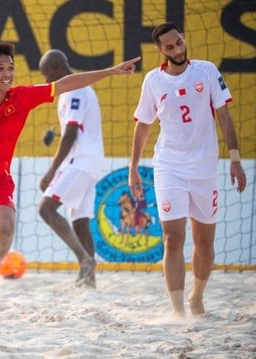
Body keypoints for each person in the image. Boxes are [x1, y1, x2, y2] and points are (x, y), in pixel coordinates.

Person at [0, 36, 140, 321]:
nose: (7, 73)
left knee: (6, 231)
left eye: (10, 67)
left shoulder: (22, 97)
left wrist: (111, 71)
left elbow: (66, 83)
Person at [129, 22, 247, 316]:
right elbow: (143, 126)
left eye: (179, 42)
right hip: (170, 165)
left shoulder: (206, 71)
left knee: (204, 243)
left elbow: (224, 116)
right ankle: (178, 311)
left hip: (205, 168)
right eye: (170, 47)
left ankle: (197, 297)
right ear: (160, 51)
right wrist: (133, 168)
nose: (178, 49)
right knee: (173, 238)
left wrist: (235, 159)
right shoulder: (153, 81)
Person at [37, 49, 105, 288]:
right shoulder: (79, 90)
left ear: (57, 69)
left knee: (46, 209)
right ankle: (90, 281)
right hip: (91, 161)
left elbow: (72, 133)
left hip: (82, 160)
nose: (46, 81)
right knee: (80, 220)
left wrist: (52, 170)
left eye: (47, 75)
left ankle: (84, 260)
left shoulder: (74, 90)